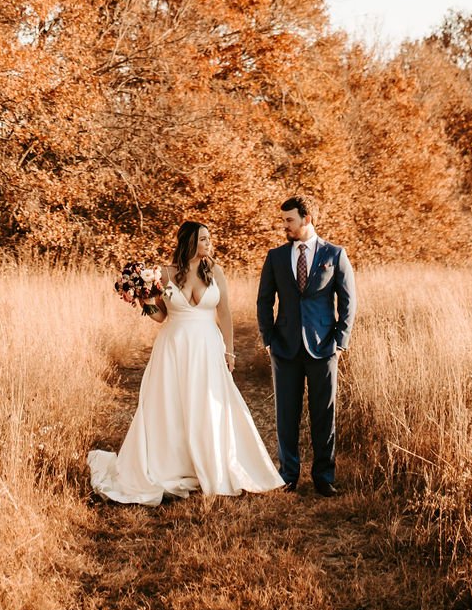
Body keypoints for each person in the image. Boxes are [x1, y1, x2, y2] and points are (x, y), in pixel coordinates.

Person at [88, 221, 285, 505]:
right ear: (189, 242)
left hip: (207, 347)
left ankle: (210, 462)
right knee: (170, 406)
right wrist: (142, 298)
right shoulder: (164, 273)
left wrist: (229, 352)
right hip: (173, 348)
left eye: (209, 238)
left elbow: (225, 314)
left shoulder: (215, 271)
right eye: (203, 239)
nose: (208, 243)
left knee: (209, 404)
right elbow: (160, 316)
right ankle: (169, 465)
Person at [256, 195, 357, 496]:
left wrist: (340, 341)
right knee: (286, 414)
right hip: (284, 347)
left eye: (289, 220)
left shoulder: (335, 254)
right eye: (284, 220)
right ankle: (288, 474)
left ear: (307, 218)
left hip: (324, 347)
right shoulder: (275, 257)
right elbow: (264, 300)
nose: (284, 225)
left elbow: (348, 302)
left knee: (324, 413)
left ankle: (324, 477)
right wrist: (268, 338)